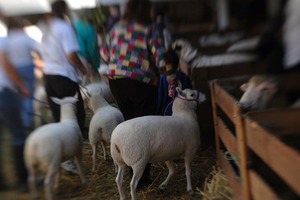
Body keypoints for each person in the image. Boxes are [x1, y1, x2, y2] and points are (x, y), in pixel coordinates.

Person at [100, 0, 177, 188]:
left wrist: (114, 69)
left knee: (129, 123)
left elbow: (103, 54)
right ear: (145, 9)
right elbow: (160, 57)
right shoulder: (149, 28)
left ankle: (128, 167)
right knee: (144, 128)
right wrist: (171, 78)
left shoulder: (116, 28)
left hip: (116, 81)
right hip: (139, 81)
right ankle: (141, 177)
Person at [38, 0, 87, 174]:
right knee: (76, 115)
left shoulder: (44, 25)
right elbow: (71, 54)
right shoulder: (64, 27)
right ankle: (69, 158)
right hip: (64, 75)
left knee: (59, 115)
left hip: (49, 75)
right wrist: (82, 68)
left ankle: (60, 156)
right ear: (64, 9)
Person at [0, 35, 30, 191]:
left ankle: (1, 183)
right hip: (3, 93)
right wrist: (22, 86)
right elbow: (5, 63)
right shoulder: (1, 39)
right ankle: (23, 181)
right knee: (18, 134)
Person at [5, 17, 40, 129]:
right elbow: (38, 49)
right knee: (28, 94)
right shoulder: (25, 37)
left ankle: (17, 120)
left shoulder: (7, 38)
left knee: (16, 95)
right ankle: (26, 121)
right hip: (27, 67)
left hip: (12, 69)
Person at [72, 10, 100, 85]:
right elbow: (93, 50)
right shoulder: (88, 28)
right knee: (85, 88)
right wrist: (96, 68)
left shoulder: (73, 25)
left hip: (70, 60)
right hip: (82, 60)